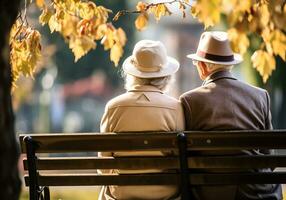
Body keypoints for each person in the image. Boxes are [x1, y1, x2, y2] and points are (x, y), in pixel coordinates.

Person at [180, 31, 283, 200]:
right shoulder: (260, 95)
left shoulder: (189, 100)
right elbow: (267, 156)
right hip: (257, 192)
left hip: (209, 193)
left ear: (203, 66)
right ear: (231, 64)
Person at [99, 40, 185, 200]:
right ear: (166, 76)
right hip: (166, 193)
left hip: (122, 193)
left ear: (133, 74)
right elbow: (181, 160)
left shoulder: (113, 107)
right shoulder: (176, 108)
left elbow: (104, 166)